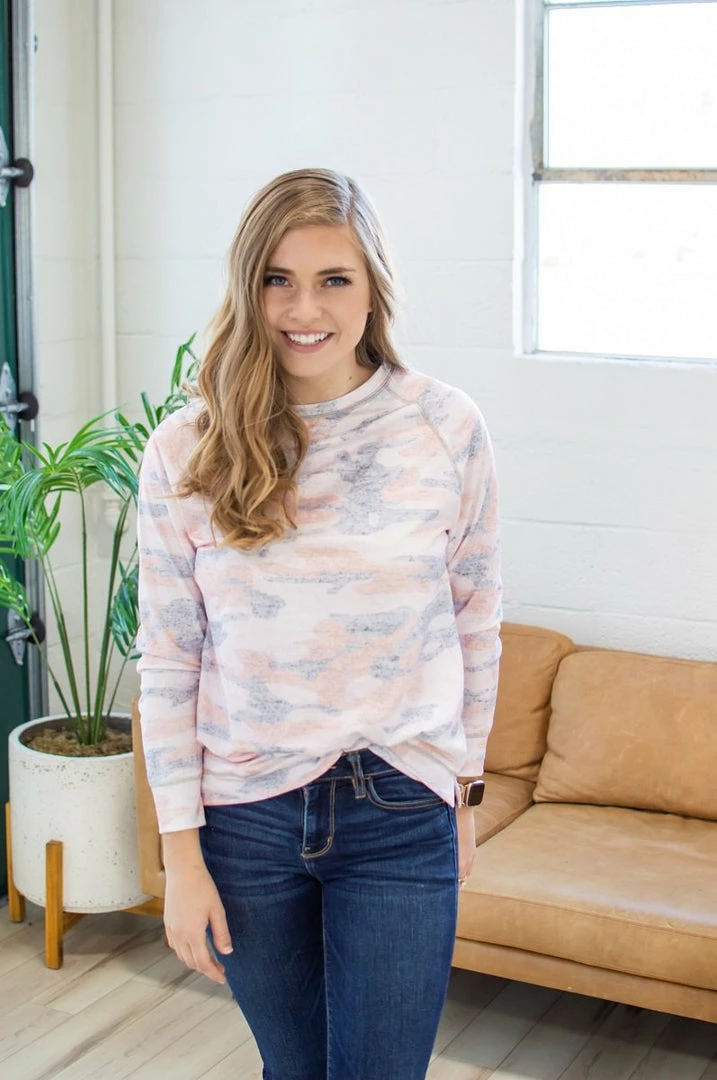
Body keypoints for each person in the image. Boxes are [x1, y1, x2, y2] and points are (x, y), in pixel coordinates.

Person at [135, 167, 503, 1080]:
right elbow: (169, 659)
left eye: (333, 279)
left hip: (399, 806)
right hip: (243, 820)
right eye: (277, 280)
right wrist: (179, 857)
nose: (304, 309)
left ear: (373, 287)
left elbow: (474, 624)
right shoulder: (186, 448)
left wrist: (464, 795)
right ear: (245, 287)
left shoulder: (443, 427)